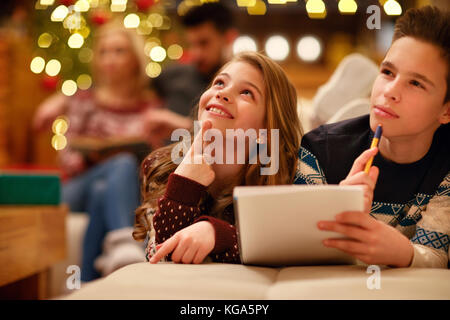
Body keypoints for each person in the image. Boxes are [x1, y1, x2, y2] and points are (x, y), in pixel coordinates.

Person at [295, 6, 450, 268]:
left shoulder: (446, 166)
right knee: (332, 127)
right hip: (342, 134)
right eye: (387, 72)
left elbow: (435, 255)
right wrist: (335, 207)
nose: (389, 91)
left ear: (446, 110)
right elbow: (295, 248)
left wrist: (404, 252)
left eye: (416, 83)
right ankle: (328, 111)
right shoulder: (318, 151)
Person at [132, 51, 302, 264]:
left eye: (247, 93)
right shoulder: (163, 165)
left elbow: (290, 245)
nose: (222, 93)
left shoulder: (292, 172)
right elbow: (160, 256)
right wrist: (184, 185)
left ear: (266, 128)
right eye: (220, 83)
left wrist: (216, 233)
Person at [33, 20, 163, 281]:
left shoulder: (151, 108)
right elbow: (67, 159)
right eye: (104, 52)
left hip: (120, 188)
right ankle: (126, 243)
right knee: (121, 163)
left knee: (103, 190)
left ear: (135, 59)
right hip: (76, 186)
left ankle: (85, 283)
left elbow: (155, 165)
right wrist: (92, 157)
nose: (110, 59)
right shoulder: (84, 101)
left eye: (119, 51)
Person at [144, 2, 238, 143]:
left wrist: (185, 127)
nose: (196, 54)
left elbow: (243, 138)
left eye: (204, 43)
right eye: (192, 44)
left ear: (229, 38)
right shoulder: (172, 75)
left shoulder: (244, 88)